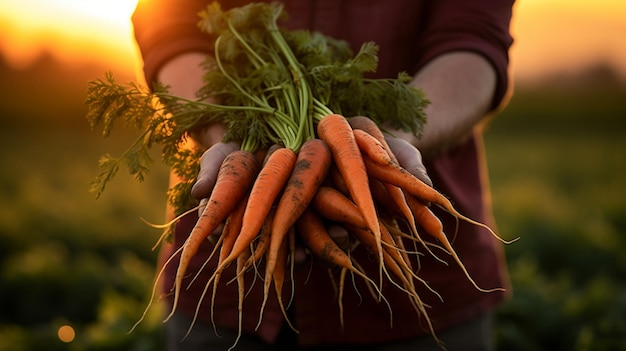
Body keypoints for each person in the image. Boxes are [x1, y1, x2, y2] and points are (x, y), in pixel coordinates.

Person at [131, 1, 515, 350]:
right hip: (225, 283)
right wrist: (225, 132)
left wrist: (384, 145)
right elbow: (168, 26)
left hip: (426, 294)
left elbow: (473, 37)